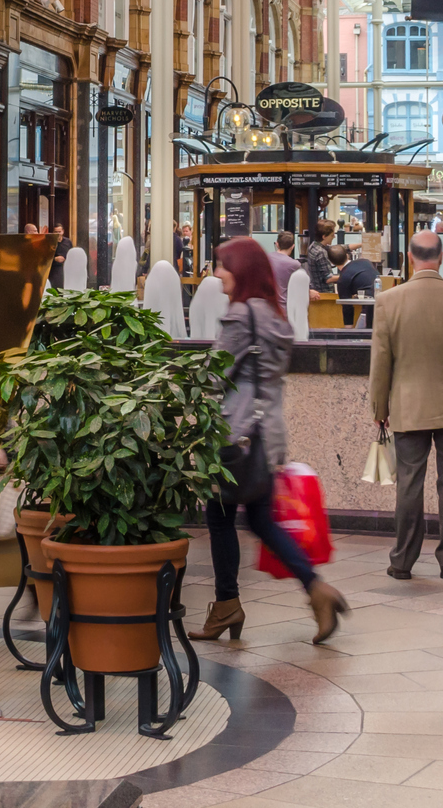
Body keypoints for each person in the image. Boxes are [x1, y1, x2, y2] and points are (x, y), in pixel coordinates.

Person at [189, 236, 348, 644]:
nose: (217, 273)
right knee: (259, 519)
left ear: (241, 271)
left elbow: (213, 375)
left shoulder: (242, 316)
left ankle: (228, 605)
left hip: (236, 434)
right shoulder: (274, 316)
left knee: (220, 517)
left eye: (223, 266)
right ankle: (317, 588)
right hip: (265, 435)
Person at [369, 230, 443, 580]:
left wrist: (380, 410)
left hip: (408, 408)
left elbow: (381, 363)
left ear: (410, 257)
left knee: (409, 483)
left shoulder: (389, 302)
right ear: (440, 257)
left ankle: (402, 561)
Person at [337, 244, 380, 330]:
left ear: (332, 263)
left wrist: (348, 332)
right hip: (383, 304)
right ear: (347, 256)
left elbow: (347, 306)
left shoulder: (343, 278)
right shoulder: (366, 261)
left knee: (359, 337)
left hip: (368, 309)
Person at [305, 219, 339, 293]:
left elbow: (341, 247)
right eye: (332, 235)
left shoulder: (313, 246)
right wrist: (348, 276)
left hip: (316, 290)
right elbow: (329, 278)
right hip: (324, 295)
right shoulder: (321, 252)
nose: (334, 237)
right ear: (324, 237)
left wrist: (361, 245)